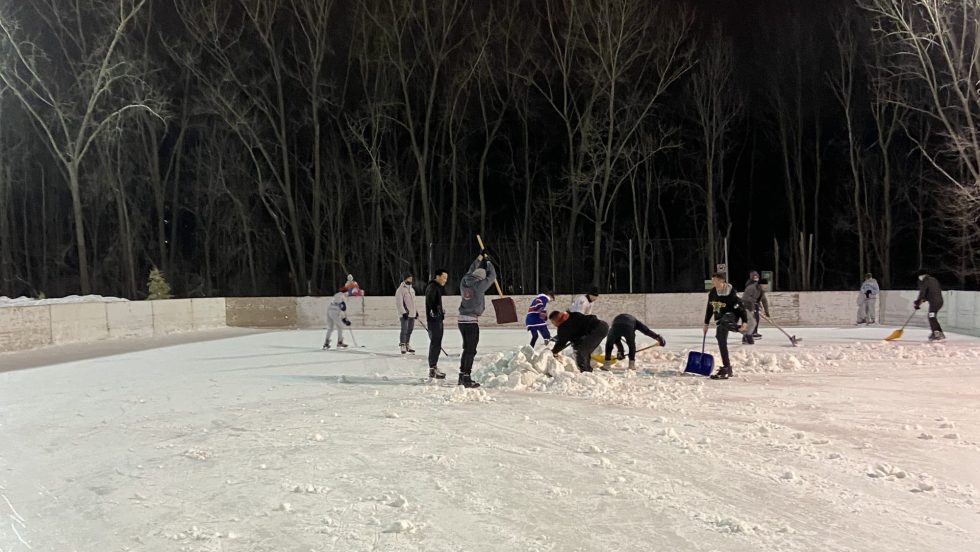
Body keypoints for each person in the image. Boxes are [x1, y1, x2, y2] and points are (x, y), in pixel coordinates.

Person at [457, 255, 497, 388]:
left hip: (461, 320)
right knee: (471, 350)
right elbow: (492, 277)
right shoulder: (479, 285)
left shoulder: (464, 281)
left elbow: (470, 270)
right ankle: (466, 377)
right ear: (480, 278)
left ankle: (462, 376)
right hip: (471, 321)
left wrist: (479, 259)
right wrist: (489, 262)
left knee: (466, 349)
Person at [703, 272, 749, 380]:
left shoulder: (731, 293)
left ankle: (738, 329)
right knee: (720, 339)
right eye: (712, 280)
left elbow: (741, 307)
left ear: (721, 281)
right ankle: (727, 368)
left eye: (714, 280)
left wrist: (744, 322)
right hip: (720, 319)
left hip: (731, 316)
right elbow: (709, 308)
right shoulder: (713, 293)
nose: (713, 282)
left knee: (725, 321)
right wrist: (706, 323)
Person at [424, 269, 449, 379]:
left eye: (446, 278)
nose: (445, 280)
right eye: (444, 277)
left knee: (436, 343)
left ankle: (433, 368)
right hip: (434, 321)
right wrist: (434, 310)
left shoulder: (435, 287)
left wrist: (439, 311)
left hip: (436, 319)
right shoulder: (433, 287)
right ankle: (432, 369)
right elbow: (430, 300)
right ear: (437, 276)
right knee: (435, 343)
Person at [914, 270, 945, 341]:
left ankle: (937, 333)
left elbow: (922, 292)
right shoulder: (933, 279)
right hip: (939, 301)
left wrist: (917, 303)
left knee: (931, 316)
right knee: (932, 316)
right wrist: (924, 299)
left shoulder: (925, 281)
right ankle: (939, 332)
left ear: (922, 275)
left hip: (934, 302)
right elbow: (932, 291)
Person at [740, 277, 769, 344]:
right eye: (765, 285)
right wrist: (755, 302)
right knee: (753, 322)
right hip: (744, 306)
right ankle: (748, 336)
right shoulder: (751, 288)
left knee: (751, 323)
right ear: (760, 284)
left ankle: (745, 337)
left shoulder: (761, 291)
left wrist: (767, 311)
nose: (766, 287)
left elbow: (764, 301)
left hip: (751, 307)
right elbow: (745, 297)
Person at [395, 273, 418, 354]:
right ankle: (403, 345)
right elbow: (399, 303)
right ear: (405, 279)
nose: (410, 280)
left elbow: (413, 302)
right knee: (404, 329)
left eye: (411, 279)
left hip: (412, 313)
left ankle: (407, 344)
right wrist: (403, 312)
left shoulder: (412, 290)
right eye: (409, 279)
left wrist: (416, 311)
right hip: (405, 314)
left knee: (410, 330)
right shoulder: (400, 290)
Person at [743, 271, 767, 339]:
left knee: (756, 318)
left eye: (757, 276)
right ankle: (750, 333)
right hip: (749, 304)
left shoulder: (759, 284)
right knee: (752, 320)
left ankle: (754, 332)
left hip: (755, 303)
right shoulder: (749, 284)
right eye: (754, 276)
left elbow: (761, 297)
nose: (756, 278)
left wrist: (760, 305)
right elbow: (749, 296)